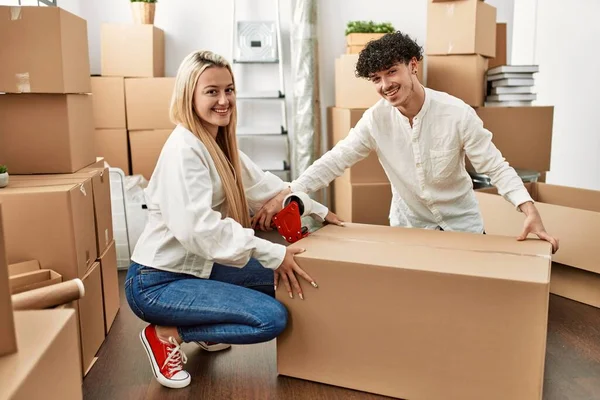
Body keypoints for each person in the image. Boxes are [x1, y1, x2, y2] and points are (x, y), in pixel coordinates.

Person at [125, 50, 340, 389]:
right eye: (212, 91)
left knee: (282, 281)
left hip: (200, 268)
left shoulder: (216, 143)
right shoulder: (185, 151)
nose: (224, 100)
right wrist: (274, 253)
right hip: (157, 283)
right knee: (270, 319)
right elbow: (201, 230)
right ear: (189, 95)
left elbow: (266, 186)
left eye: (229, 89)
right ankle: (167, 333)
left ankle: (204, 319)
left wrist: (320, 211)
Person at [253, 31, 559, 253]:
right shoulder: (376, 120)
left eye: (391, 72)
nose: (386, 85)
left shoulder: (457, 114)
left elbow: (495, 166)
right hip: (410, 227)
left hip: (463, 226)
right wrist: (287, 193)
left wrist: (529, 210)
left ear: (413, 65)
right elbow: (336, 159)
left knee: (464, 301)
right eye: (376, 78)